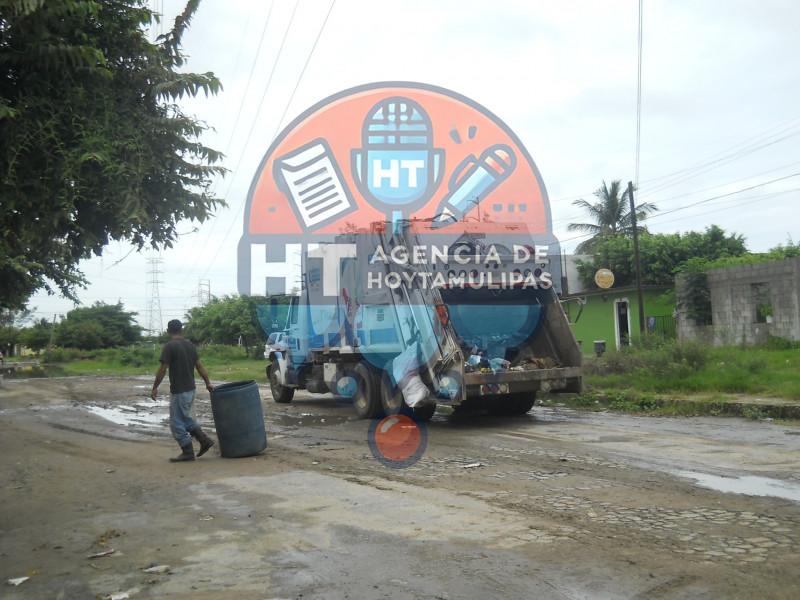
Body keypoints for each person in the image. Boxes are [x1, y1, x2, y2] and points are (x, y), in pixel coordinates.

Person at [151, 319, 215, 462]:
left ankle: (188, 451)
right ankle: (204, 441)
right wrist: (208, 383)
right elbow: (199, 366)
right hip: (190, 389)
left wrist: (155, 387)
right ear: (182, 330)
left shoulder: (169, 346)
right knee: (185, 419)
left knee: (176, 423)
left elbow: (162, 369)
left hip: (179, 390)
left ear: (168, 331)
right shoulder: (190, 345)